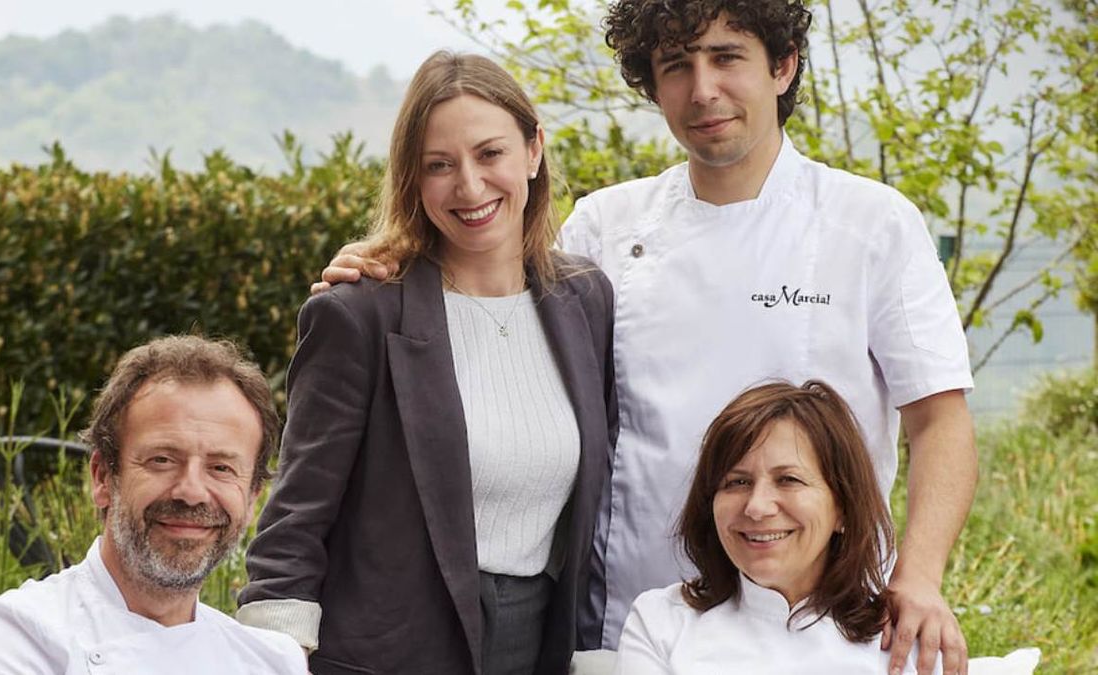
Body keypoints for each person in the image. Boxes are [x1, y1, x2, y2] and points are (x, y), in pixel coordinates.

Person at [313, 2, 976, 673]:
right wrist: (392, 261)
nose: (702, 89)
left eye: (726, 57)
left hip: (823, 621)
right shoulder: (604, 226)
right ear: (651, 84)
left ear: (783, 66)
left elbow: (940, 421)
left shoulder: (872, 225)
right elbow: (490, 296)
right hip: (624, 624)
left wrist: (919, 578)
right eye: (676, 66)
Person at [236, 51, 618, 675]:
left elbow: (596, 511)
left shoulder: (585, 300)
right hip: (390, 651)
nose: (469, 186)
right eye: (439, 165)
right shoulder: (359, 314)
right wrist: (276, 654)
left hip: (538, 647)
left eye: (490, 153)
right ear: (412, 179)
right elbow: (295, 519)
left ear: (533, 150)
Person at [0, 335, 309, 675]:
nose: (191, 492)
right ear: (103, 477)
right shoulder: (13, 635)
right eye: (162, 460)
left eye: (221, 468)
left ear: (252, 497)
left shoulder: (273, 661)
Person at [614, 380, 935, 674]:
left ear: (842, 508)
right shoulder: (662, 624)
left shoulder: (905, 640)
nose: (757, 507)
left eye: (788, 480)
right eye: (737, 482)